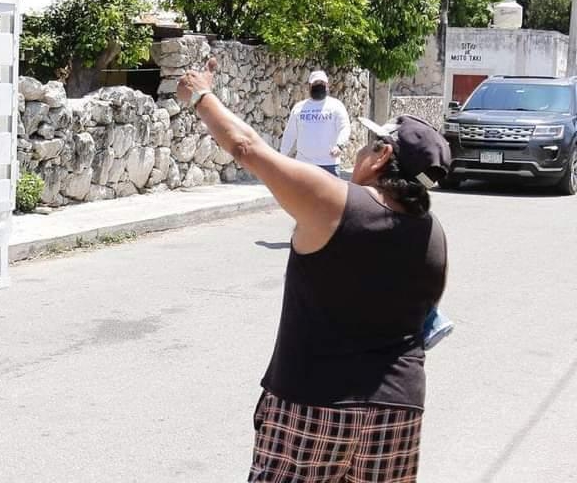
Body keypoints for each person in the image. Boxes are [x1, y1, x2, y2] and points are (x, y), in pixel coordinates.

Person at [177, 60, 449, 483]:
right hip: (398, 411)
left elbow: (247, 148)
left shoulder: (337, 202)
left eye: (368, 143)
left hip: (313, 403)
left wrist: (200, 95)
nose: (360, 150)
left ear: (382, 157)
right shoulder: (435, 236)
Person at [279, 69, 351, 176]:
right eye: (316, 83)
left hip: (329, 164)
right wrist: (282, 157)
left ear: (327, 85)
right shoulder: (299, 108)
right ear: (309, 86)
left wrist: (339, 145)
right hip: (304, 164)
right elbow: (290, 134)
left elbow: (345, 127)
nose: (319, 86)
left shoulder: (336, 106)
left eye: (321, 83)